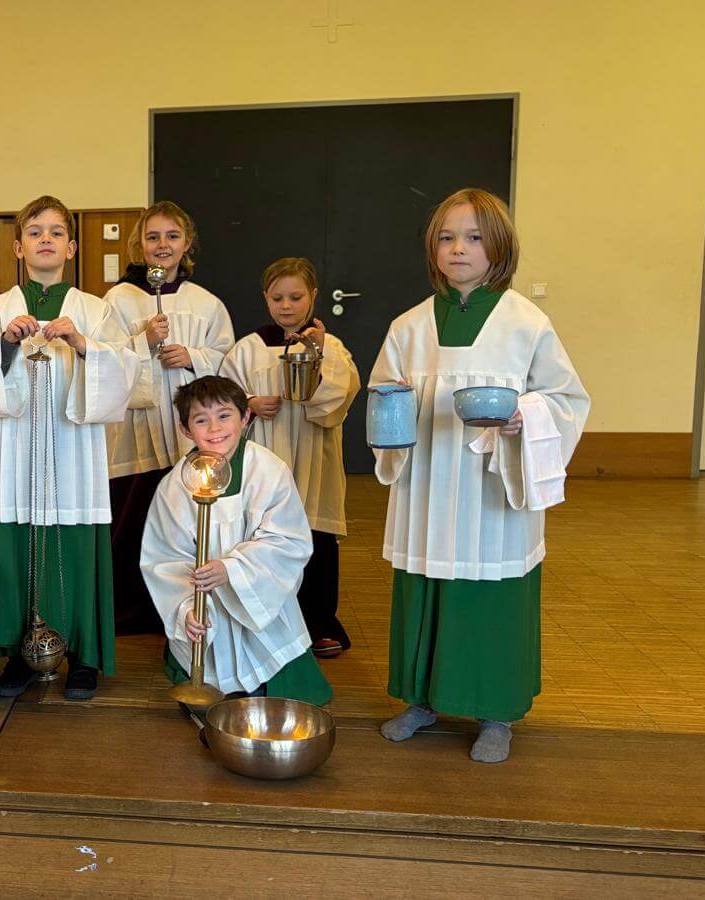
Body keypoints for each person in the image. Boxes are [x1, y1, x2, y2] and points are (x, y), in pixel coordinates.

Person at [372, 188, 590, 763]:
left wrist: (525, 417)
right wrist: (393, 405)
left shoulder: (526, 323)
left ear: (499, 246)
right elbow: (383, 393)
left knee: (493, 594)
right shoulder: (409, 326)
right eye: (446, 237)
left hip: (493, 486)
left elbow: (566, 398)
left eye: (473, 238)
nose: (458, 249)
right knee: (425, 584)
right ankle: (421, 700)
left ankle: (496, 712)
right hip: (427, 483)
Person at [0, 195, 138, 700]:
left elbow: (127, 371)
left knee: (75, 545)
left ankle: (84, 657)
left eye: (56, 232)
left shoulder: (95, 311)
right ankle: (19, 652)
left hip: (75, 451)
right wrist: (4, 344)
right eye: (35, 232)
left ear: (72, 248)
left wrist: (83, 344)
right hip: (18, 451)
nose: (46, 240)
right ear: (19, 247)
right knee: (21, 546)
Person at [142, 376, 331, 705]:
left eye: (224, 415)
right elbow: (164, 558)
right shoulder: (174, 487)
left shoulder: (268, 470)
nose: (215, 428)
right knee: (204, 688)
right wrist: (187, 608)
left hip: (258, 596)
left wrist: (231, 569)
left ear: (245, 417)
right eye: (201, 420)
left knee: (282, 699)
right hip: (207, 606)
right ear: (185, 429)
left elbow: (287, 541)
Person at [104, 201, 234, 634]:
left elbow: (227, 360)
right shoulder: (119, 300)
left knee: (181, 524)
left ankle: (179, 608)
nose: (163, 245)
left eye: (172, 236)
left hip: (185, 434)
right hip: (135, 432)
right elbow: (102, 360)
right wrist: (142, 341)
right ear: (139, 244)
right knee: (132, 520)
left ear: (187, 243)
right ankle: (127, 609)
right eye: (153, 237)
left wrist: (192, 356)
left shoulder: (206, 303)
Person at [220, 257, 358, 657]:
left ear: (313, 296)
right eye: (278, 297)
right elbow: (224, 394)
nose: (286, 306)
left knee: (315, 536)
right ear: (266, 298)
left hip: (314, 455)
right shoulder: (248, 348)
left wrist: (317, 354)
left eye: (296, 297)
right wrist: (249, 402)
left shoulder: (331, 347)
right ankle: (264, 619)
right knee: (264, 535)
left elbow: (337, 399)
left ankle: (318, 622)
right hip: (266, 454)